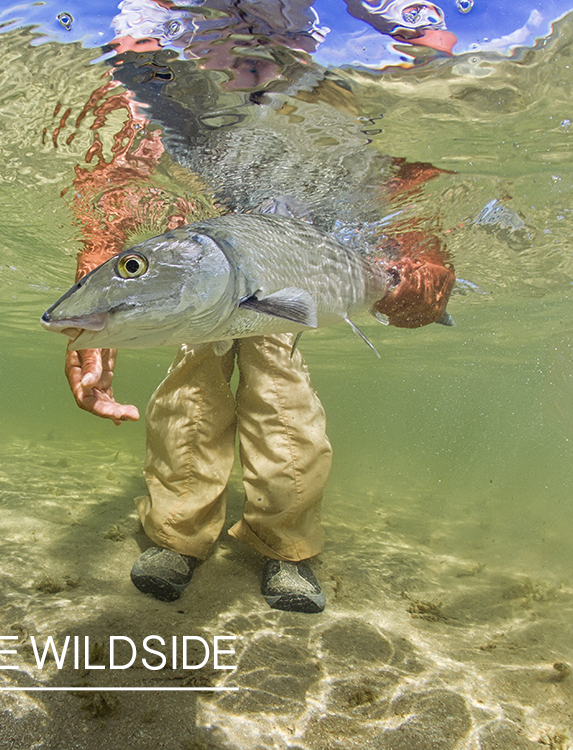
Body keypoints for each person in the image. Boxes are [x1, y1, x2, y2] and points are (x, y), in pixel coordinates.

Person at [60, 0, 455, 613]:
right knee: (192, 391)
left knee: (280, 396)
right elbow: (117, 175)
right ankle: (177, 536)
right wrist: (100, 288)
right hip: (207, 242)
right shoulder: (154, 43)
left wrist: (414, 26)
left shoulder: (311, 96)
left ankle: (286, 547)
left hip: (276, 249)